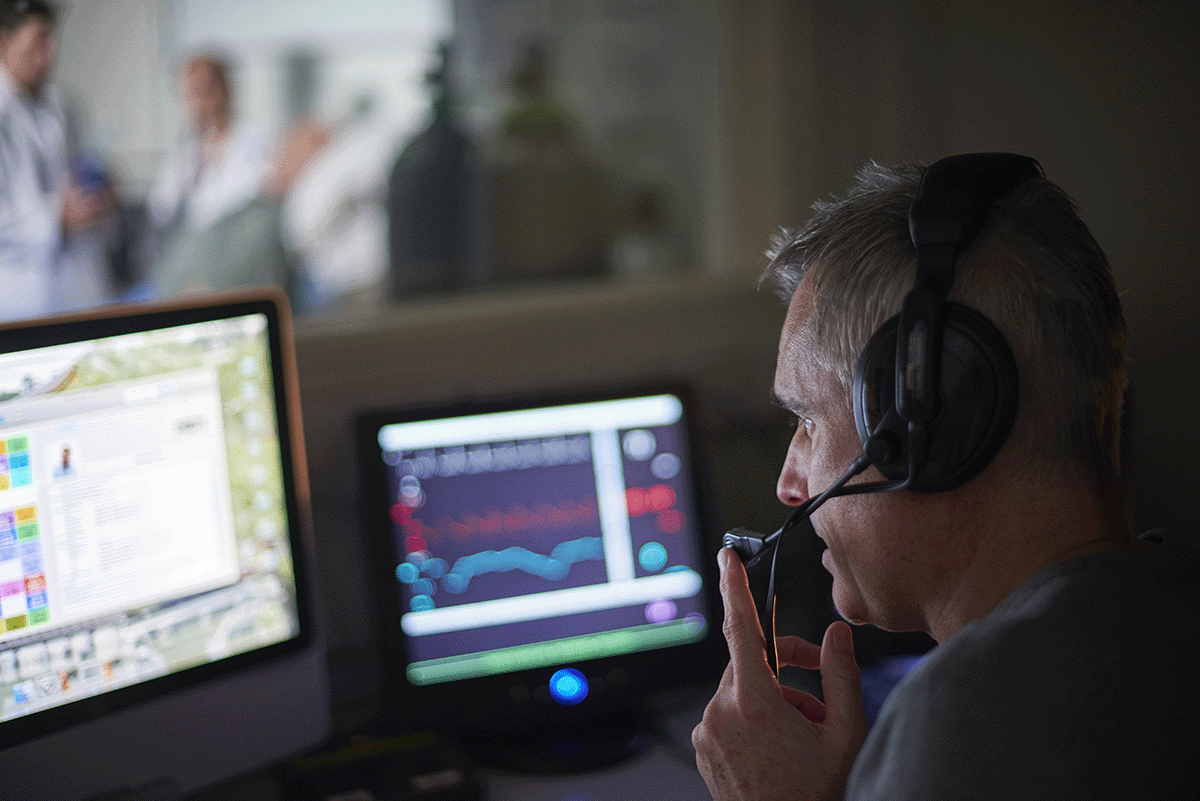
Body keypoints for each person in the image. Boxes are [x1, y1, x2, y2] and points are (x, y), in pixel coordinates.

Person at [691, 156, 1200, 799]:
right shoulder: (1169, 616)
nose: (789, 486)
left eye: (808, 423)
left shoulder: (973, 722)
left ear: (931, 424)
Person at [0, 0, 113, 321]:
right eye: (38, 41)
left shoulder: (63, 106)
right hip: (19, 296)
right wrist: (57, 216)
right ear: (4, 41)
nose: (49, 55)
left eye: (52, 41)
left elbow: (81, 168)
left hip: (78, 286)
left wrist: (102, 191)